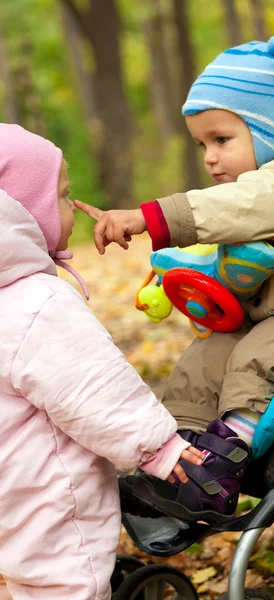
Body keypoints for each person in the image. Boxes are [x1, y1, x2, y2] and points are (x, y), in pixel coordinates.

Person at [76, 37, 274, 523]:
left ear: (270, 135)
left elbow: (241, 205)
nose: (209, 157)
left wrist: (150, 217)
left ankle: (219, 471)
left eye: (222, 140)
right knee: (205, 357)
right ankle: (178, 463)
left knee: (259, 355)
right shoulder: (263, 195)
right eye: (202, 144)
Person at [0, 124, 204, 600]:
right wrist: (156, 446)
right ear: (23, 212)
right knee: (64, 577)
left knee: (21, 572)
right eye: (63, 197)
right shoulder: (38, 303)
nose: (72, 208)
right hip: (44, 487)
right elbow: (91, 388)